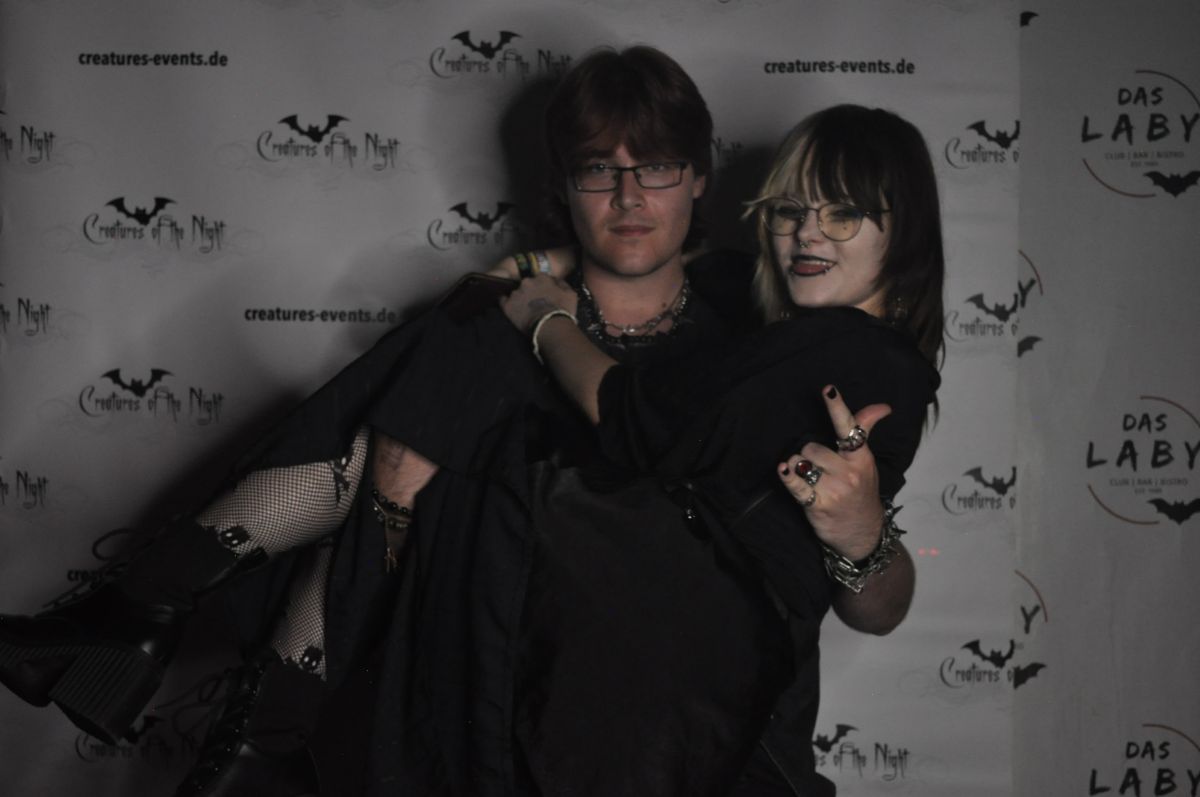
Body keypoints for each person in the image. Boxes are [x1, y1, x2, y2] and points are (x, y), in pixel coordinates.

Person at [0, 48, 916, 797]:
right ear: (565, 187)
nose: (630, 197)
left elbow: (870, 591)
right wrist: (394, 506)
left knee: (464, 355)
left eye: (656, 169)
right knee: (463, 339)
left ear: (699, 179)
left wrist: (863, 534)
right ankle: (213, 677)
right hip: (491, 673)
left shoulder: (756, 326)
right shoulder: (490, 318)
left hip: (683, 700)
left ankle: (166, 630)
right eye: (599, 171)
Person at [493, 101, 945, 795]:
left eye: (843, 214)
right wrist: (542, 262)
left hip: (728, 727)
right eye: (790, 210)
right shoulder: (780, 323)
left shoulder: (852, 350)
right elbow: (674, 259)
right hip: (673, 716)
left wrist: (544, 316)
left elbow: (623, 414)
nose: (808, 233)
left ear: (902, 231)